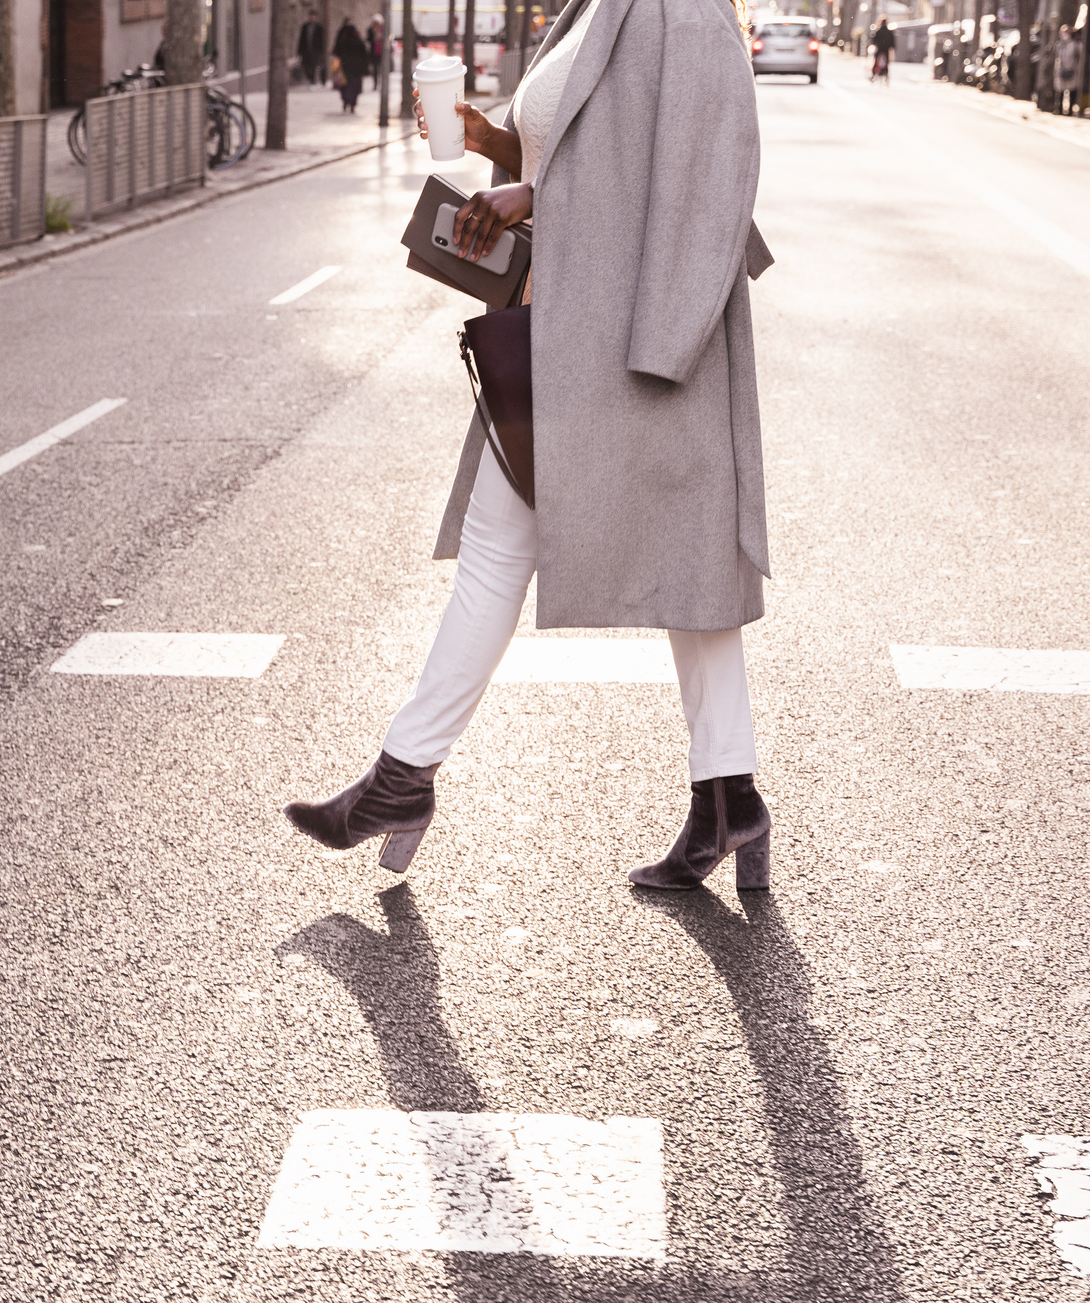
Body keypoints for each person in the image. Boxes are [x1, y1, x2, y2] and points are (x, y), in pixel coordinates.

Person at [285, 0, 777, 892]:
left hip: (640, 343)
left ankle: (402, 780)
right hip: (566, 332)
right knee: (630, 561)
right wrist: (498, 153)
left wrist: (663, 352)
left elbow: (715, 178)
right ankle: (728, 798)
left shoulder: (691, 14)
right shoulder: (594, 10)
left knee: (668, 567)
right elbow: (583, 158)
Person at [333, 18, 371, 111]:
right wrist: (365, 69)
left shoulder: (343, 42)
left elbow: (336, 52)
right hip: (356, 69)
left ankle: (346, 101)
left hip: (345, 67)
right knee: (355, 86)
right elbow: (365, 56)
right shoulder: (359, 42)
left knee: (345, 86)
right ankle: (353, 103)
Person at [1054, 23, 1085, 114]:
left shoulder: (1076, 45)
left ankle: (1070, 110)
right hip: (1061, 70)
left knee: (1072, 91)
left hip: (1073, 70)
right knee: (1060, 91)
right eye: (1064, 32)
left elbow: (1080, 56)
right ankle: (1059, 109)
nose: (1065, 34)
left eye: (1067, 32)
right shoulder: (1059, 45)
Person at [298, 16, 328, 85]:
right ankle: (310, 79)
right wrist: (299, 50)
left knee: (314, 65)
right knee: (306, 66)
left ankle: (313, 80)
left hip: (316, 51)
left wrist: (322, 50)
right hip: (306, 50)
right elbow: (301, 39)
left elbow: (322, 40)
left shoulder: (319, 28)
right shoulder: (305, 27)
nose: (312, 18)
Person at [870, 16, 894, 81]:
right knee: (886, 63)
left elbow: (874, 40)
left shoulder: (878, 31)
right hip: (886, 50)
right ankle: (886, 75)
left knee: (876, 62)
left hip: (880, 49)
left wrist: (875, 44)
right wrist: (892, 47)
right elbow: (892, 42)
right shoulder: (889, 32)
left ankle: (873, 75)